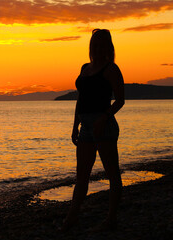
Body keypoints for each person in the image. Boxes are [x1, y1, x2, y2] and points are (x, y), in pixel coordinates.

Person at [61, 29, 125, 232]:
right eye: (94, 44)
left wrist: (104, 118)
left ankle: (112, 218)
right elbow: (81, 99)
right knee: (82, 176)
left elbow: (120, 100)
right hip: (86, 127)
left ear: (108, 47)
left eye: (101, 45)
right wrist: (74, 125)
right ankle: (72, 217)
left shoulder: (111, 69)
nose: (97, 48)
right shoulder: (85, 68)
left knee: (112, 173)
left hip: (103, 126)